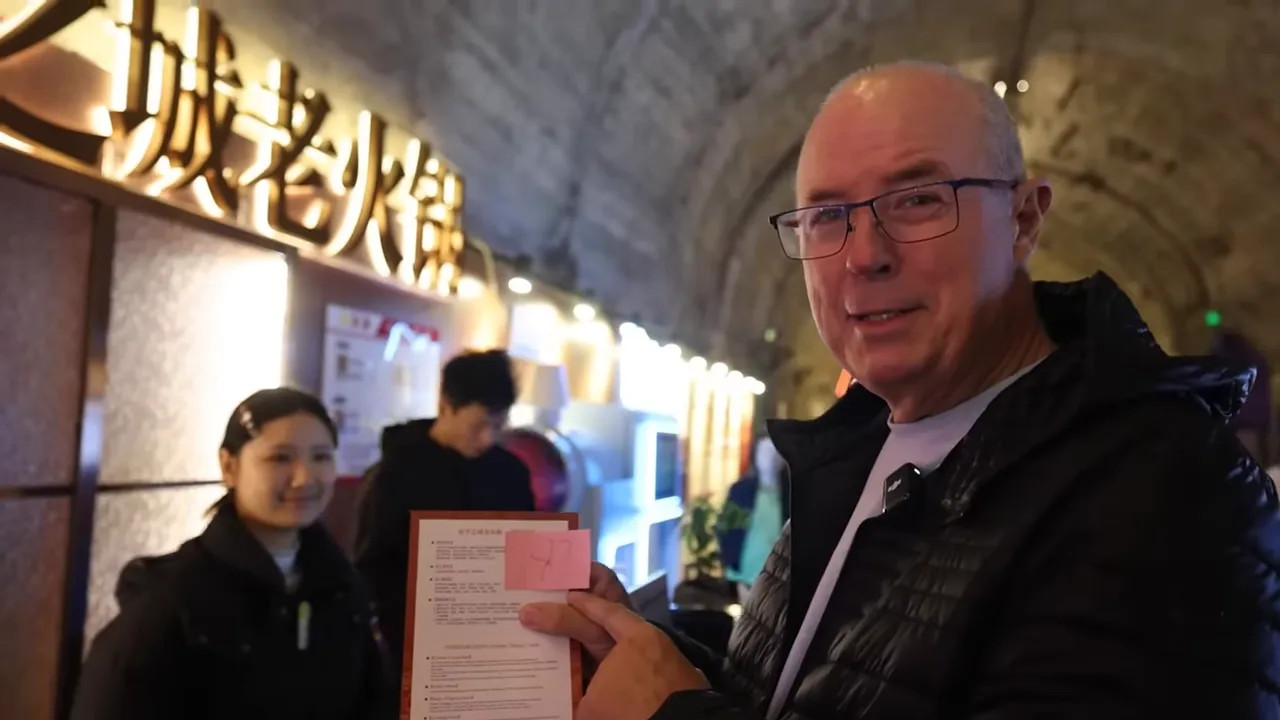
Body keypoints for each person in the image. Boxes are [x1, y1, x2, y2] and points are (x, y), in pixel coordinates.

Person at [519, 61, 1280, 719]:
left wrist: (674, 716)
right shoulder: (859, 446)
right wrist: (651, 652)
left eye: (918, 200)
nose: (865, 256)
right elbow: (803, 693)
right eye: (826, 216)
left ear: (1023, 219)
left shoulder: (1165, 491)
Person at [71, 388, 388, 720]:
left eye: (321, 457)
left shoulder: (342, 588)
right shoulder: (171, 601)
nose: (304, 477)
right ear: (229, 466)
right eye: (280, 458)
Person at [354, 348, 534, 694]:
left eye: (497, 426)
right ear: (445, 406)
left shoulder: (510, 472)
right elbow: (370, 566)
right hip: (418, 647)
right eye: (478, 425)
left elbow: (531, 552)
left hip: (500, 642)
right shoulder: (394, 472)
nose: (488, 439)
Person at [718, 435, 789, 588]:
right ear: (755, 455)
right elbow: (725, 529)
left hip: (779, 578)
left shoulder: (790, 494)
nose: (769, 459)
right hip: (745, 576)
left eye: (774, 452)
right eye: (764, 452)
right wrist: (730, 561)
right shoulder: (740, 491)